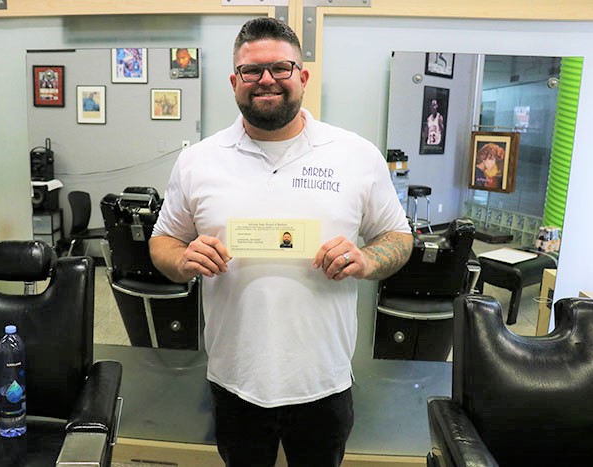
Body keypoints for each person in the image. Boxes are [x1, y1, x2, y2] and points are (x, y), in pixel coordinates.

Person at [149, 17, 412, 467]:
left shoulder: (356, 155)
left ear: (302, 77)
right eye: (251, 71)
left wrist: (365, 259)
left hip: (323, 382)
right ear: (235, 81)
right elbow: (163, 243)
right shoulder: (197, 161)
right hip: (235, 381)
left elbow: (398, 237)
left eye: (281, 68)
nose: (266, 80)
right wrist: (184, 258)